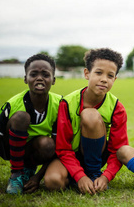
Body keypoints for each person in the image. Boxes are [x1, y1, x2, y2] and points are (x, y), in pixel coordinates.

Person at [44, 48, 128, 195]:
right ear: (87, 74)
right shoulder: (67, 103)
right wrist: (79, 176)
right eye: (98, 73)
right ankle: (79, 178)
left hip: (96, 156)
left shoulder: (117, 108)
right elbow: (63, 148)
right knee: (53, 182)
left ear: (114, 80)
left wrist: (106, 177)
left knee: (90, 115)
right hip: (70, 156)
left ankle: (93, 174)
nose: (104, 79)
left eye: (110, 76)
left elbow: (118, 149)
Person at [0, 54, 61, 194]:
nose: (39, 78)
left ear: (53, 80)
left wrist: (38, 177)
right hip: (8, 148)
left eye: (45, 74)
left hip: (33, 149)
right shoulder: (14, 104)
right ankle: (16, 175)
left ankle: (29, 170)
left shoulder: (59, 104)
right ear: (26, 79)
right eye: (33, 74)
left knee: (49, 144)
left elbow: (59, 146)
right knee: (22, 117)